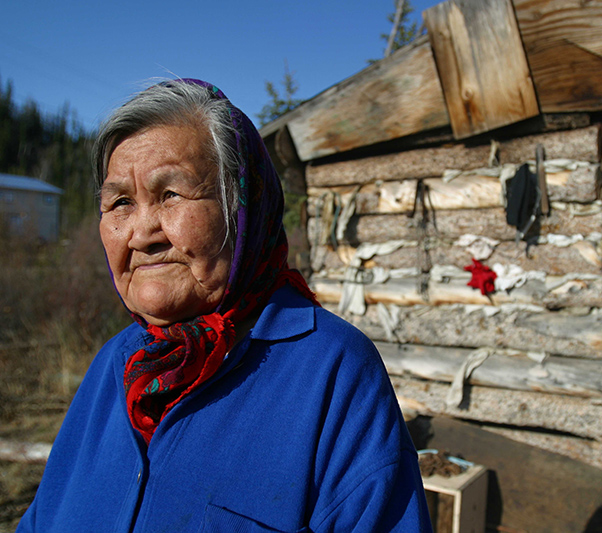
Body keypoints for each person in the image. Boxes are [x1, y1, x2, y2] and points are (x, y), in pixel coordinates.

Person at [17, 79, 432, 532]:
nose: (142, 234)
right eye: (119, 202)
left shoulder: (331, 372)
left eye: (170, 195)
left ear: (244, 207)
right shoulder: (116, 365)